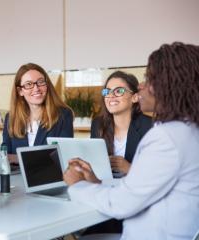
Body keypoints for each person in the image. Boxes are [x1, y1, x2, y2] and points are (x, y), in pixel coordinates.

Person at [64, 42, 199, 239]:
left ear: (169, 85)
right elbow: (142, 187)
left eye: (148, 79)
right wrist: (97, 183)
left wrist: (77, 185)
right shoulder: (188, 130)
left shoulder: (166, 137)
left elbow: (120, 204)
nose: (141, 86)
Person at [84, 71, 152, 235]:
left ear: (135, 97)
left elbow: (156, 175)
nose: (111, 96)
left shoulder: (149, 126)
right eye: (107, 91)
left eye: (119, 91)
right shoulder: (98, 124)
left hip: (135, 199)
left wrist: (129, 168)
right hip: (104, 192)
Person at [2, 63, 74, 163]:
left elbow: (62, 155)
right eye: (28, 84)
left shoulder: (63, 115)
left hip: (49, 177)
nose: (36, 88)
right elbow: (4, 155)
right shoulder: (11, 118)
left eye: (40, 82)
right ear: (20, 91)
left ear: (47, 85)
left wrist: (19, 158)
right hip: (16, 177)